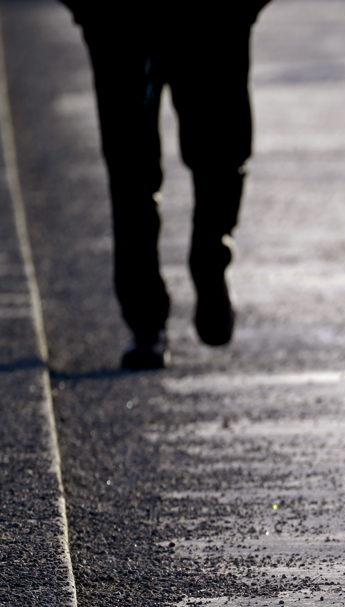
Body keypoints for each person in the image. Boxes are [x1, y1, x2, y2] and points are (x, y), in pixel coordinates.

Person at [59, 1, 271, 369]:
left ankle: (207, 262)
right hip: (124, 23)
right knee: (133, 167)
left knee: (216, 156)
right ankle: (146, 318)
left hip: (208, 21)